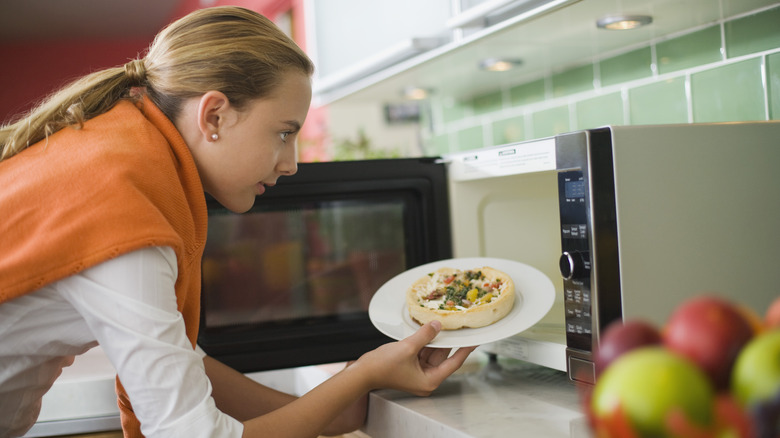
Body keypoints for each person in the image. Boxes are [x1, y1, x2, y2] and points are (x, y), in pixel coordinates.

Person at [0, 6, 475, 438]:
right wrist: (363, 374)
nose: (291, 163)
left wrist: (340, 409)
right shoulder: (122, 207)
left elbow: (186, 362)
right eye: (284, 132)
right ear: (214, 115)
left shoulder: (123, 156)